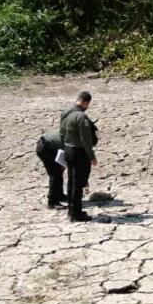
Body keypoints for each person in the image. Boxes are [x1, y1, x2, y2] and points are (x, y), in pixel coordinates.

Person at [60, 91, 97, 222]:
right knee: (78, 183)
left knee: (71, 182)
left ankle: (72, 210)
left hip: (68, 149)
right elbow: (86, 140)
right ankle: (76, 214)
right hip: (78, 153)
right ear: (86, 102)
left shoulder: (67, 113)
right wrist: (92, 156)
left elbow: (62, 132)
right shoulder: (81, 117)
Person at [35, 130, 66, 209]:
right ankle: (52, 202)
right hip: (45, 148)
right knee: (55, 174)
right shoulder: (74, 137)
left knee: (59, 172)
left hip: (50, 147)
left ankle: (60, 195)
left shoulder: (72, 130)